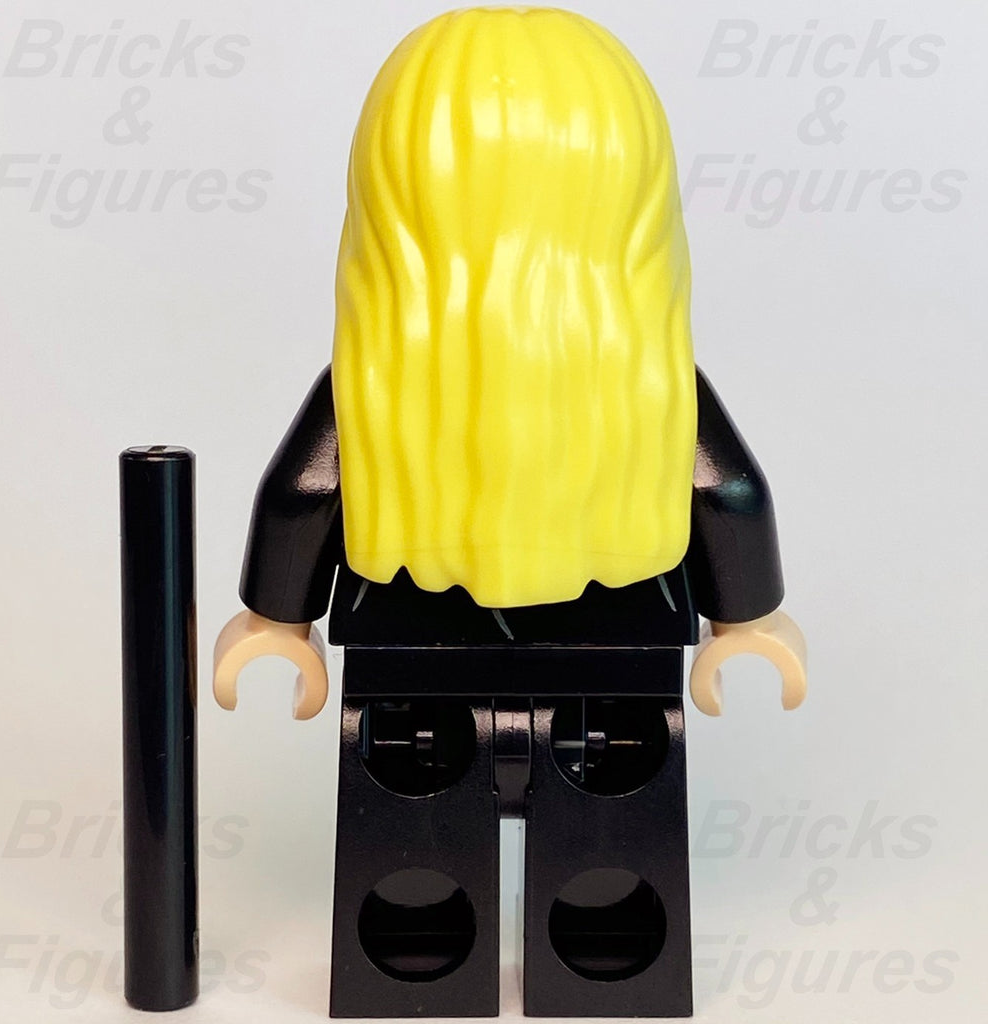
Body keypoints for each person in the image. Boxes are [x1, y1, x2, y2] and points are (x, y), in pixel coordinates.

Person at [214, 8, 806, 1018]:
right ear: (630, 206)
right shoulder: (629, 386)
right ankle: (576, 968)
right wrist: (746, 618)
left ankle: (449, 967)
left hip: (450, 641)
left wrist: (278, 619)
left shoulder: (395, 384)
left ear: (390, 210)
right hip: (578, 642)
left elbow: (305, 488)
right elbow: (727, 488)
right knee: (554, 815)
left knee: (448, 816)